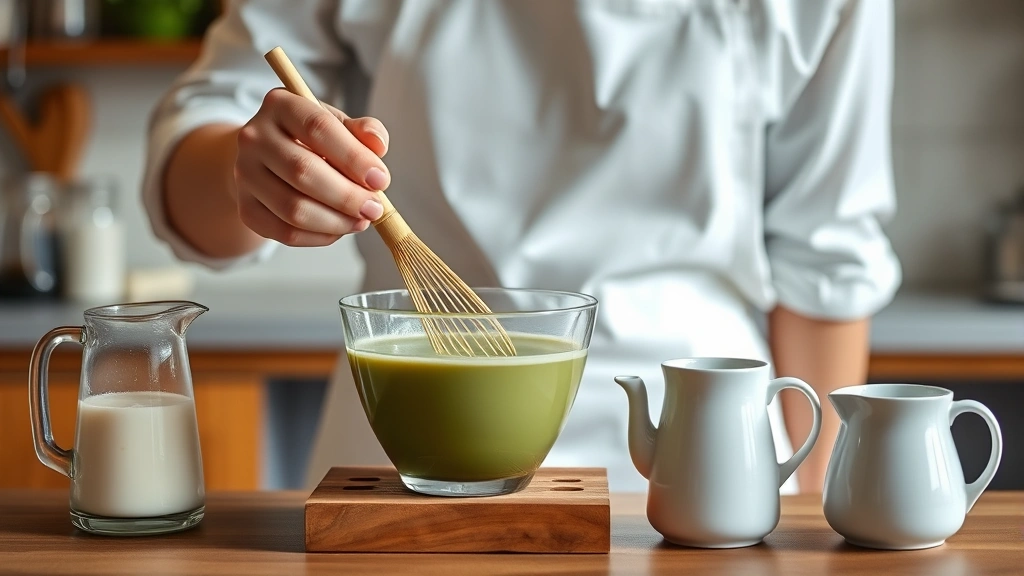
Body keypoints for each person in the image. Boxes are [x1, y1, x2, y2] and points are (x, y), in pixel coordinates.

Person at [143, 0, 900, 493]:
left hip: (704, 452)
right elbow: (191, 166)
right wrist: (257, 174)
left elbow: (824, 267)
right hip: (410, 451)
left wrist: (821, 518)